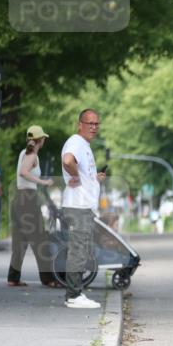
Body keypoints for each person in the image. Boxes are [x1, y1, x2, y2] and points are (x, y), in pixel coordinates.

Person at [60, 109, 107, 309]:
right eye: (90, 123)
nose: (94, 127)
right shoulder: (76, 142)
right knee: (78, 250)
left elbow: (78, 168)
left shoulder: (84, 145)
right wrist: (76, 176)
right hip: (77, 205)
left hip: (83, 205)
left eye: (97, 124)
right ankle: (73, 295)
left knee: (81, 249)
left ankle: (76, 293)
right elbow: (68, 161)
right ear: (80, 124)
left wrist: (93, 178)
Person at [8, 126, 63, 287]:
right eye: (44, 138)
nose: (44, 141)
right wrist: (43, 182)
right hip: (28, 200)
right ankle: (49, 279)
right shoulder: (32, 155)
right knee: (41, 239)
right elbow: (24, 172)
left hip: (19, 199)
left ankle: (13, 277)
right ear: (41, 140)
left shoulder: (23, 153)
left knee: (20, 240)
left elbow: (24, 173)